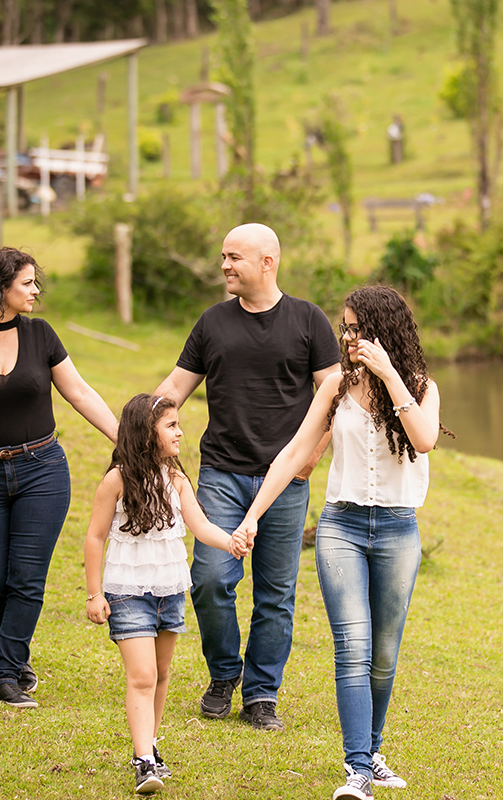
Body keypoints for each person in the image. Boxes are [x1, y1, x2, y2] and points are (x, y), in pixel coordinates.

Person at [234, 285, 448, 800]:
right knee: (352, 647)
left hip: (398, 530)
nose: (347, 337)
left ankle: (372, 752)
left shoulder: (420, 386)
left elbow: (423, 439)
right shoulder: (334, 387)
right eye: (344, 327)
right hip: (341, 528)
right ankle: (356, 770)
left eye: (355, 328)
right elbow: (293, 454)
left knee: (384, 654)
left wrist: (390, 375)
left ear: (382, 331)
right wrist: (252, 516)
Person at [154, 222, 341, 731]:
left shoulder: (308, 320)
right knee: (210, 578)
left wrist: (311, 457)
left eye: (234, 257)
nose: (224, 266)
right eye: (223, 256)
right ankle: (223, 674)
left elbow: (334, 398)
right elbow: (175, 386)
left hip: (286, 483)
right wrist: (139, 429)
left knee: (275, 593)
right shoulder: (212, 322)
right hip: (220, 473)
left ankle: (261, 696)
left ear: (267, 262)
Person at [0, 247, 118, 709]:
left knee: (27, 579)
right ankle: (15, 657)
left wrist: (126, 439)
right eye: (28, 283)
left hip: (42, 471)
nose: (36, 290)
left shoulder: (41, 336)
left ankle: (6, 673)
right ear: (2, 288)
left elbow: (78, 391)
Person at [83, 394, 249, 794]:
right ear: (146, 433)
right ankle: (143, 760)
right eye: (171, 426)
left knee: (159, 677)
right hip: (126, 590)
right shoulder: (117, 480)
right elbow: (95, 536)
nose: (180, 432)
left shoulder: (176, 481)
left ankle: (152, 748)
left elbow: (200, 525)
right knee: (141, 676)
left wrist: (231, 542)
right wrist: (93, 594)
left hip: (171, 590)